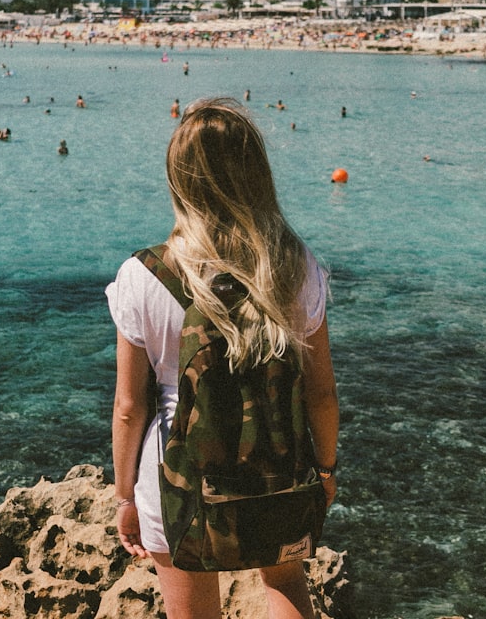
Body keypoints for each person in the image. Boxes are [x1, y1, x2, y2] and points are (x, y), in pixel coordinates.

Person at [106, 98, 338, 619]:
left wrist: (124, 498)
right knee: (283, 582)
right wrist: (325, 468)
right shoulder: (296, 267)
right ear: (258, 174)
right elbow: (321, 392)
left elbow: (128, 407)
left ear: (178, 179)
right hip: (278, 468)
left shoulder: (144, 276)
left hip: (175, 481)